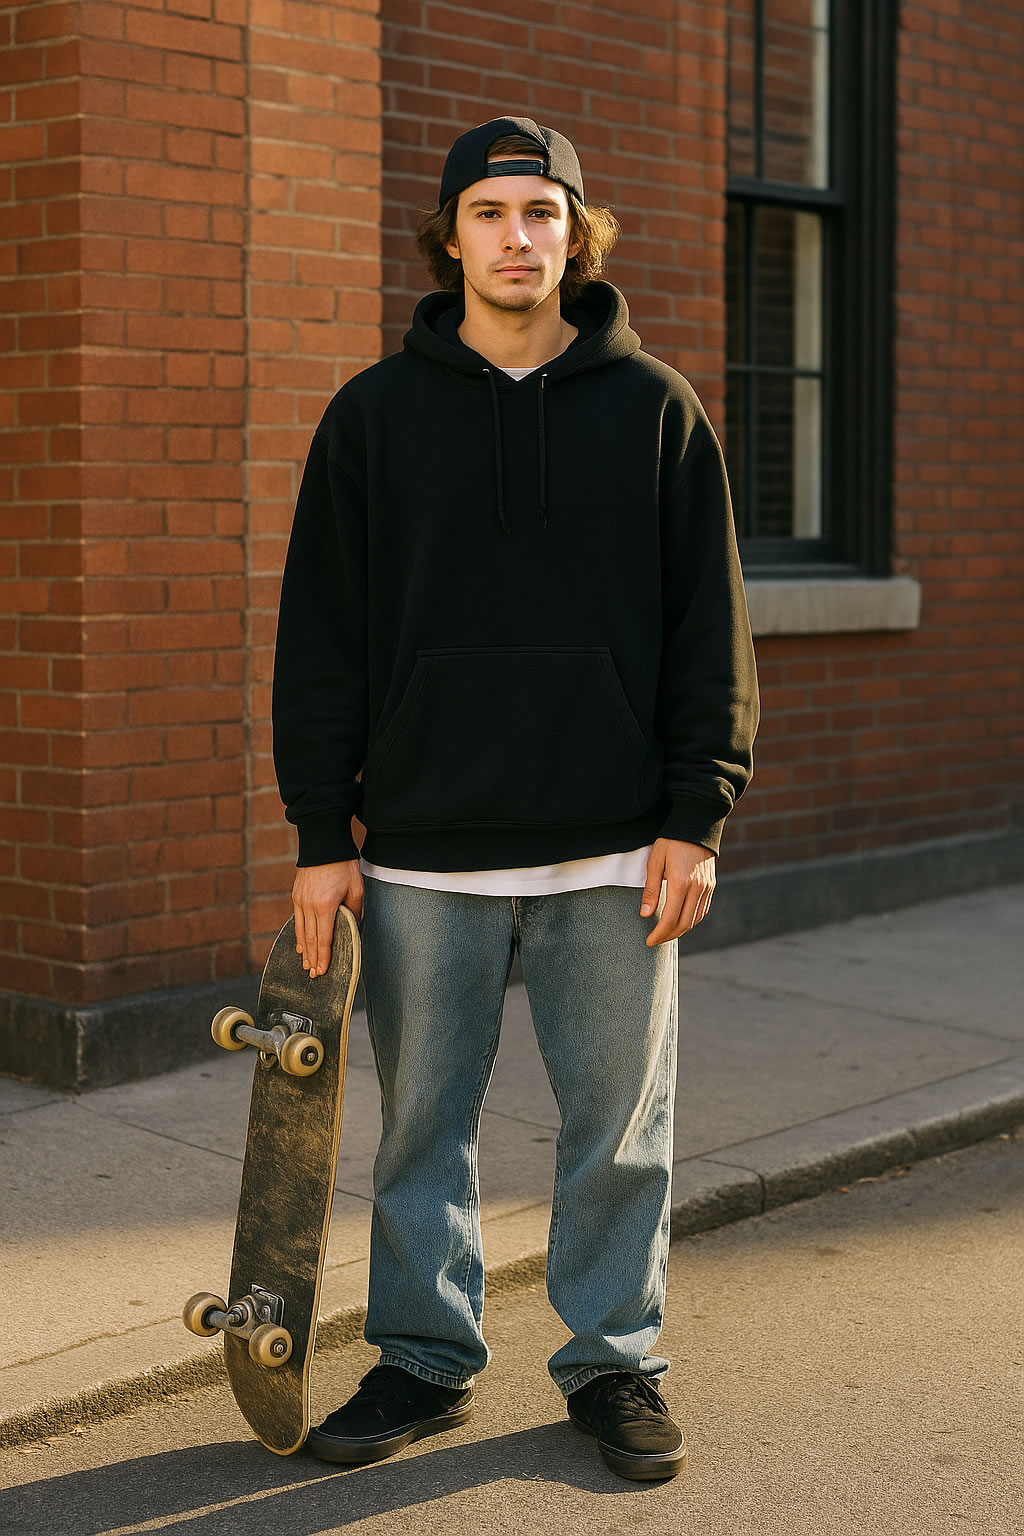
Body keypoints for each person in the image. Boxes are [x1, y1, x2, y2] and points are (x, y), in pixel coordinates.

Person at [271, 115, 759, 1482]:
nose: (517, 237)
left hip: (616, 848)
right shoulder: (373, 418)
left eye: (541, 211)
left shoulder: (655, 407)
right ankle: (424, 1359)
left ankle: (614, 1364)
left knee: (619, 1132)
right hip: (426, 844)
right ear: (452, 238)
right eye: (490, 213)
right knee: (423, 1123)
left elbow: (713, 630)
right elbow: (322, 641)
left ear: (576, 234)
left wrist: (695, 814)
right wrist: (322, 835)